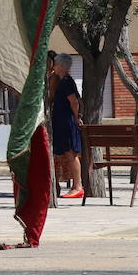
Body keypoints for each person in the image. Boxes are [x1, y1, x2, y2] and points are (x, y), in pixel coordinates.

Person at [50, 53, 84, 199]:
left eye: (56, 64)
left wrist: (76, 118)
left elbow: (74, 101)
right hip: (61, 122)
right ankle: (74, 186)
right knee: (67, 154)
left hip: (67, 122)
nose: (54, 67)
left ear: (62, 66)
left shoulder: (67, 81)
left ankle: (78, 186)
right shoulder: (61, 81)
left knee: (71, 154)